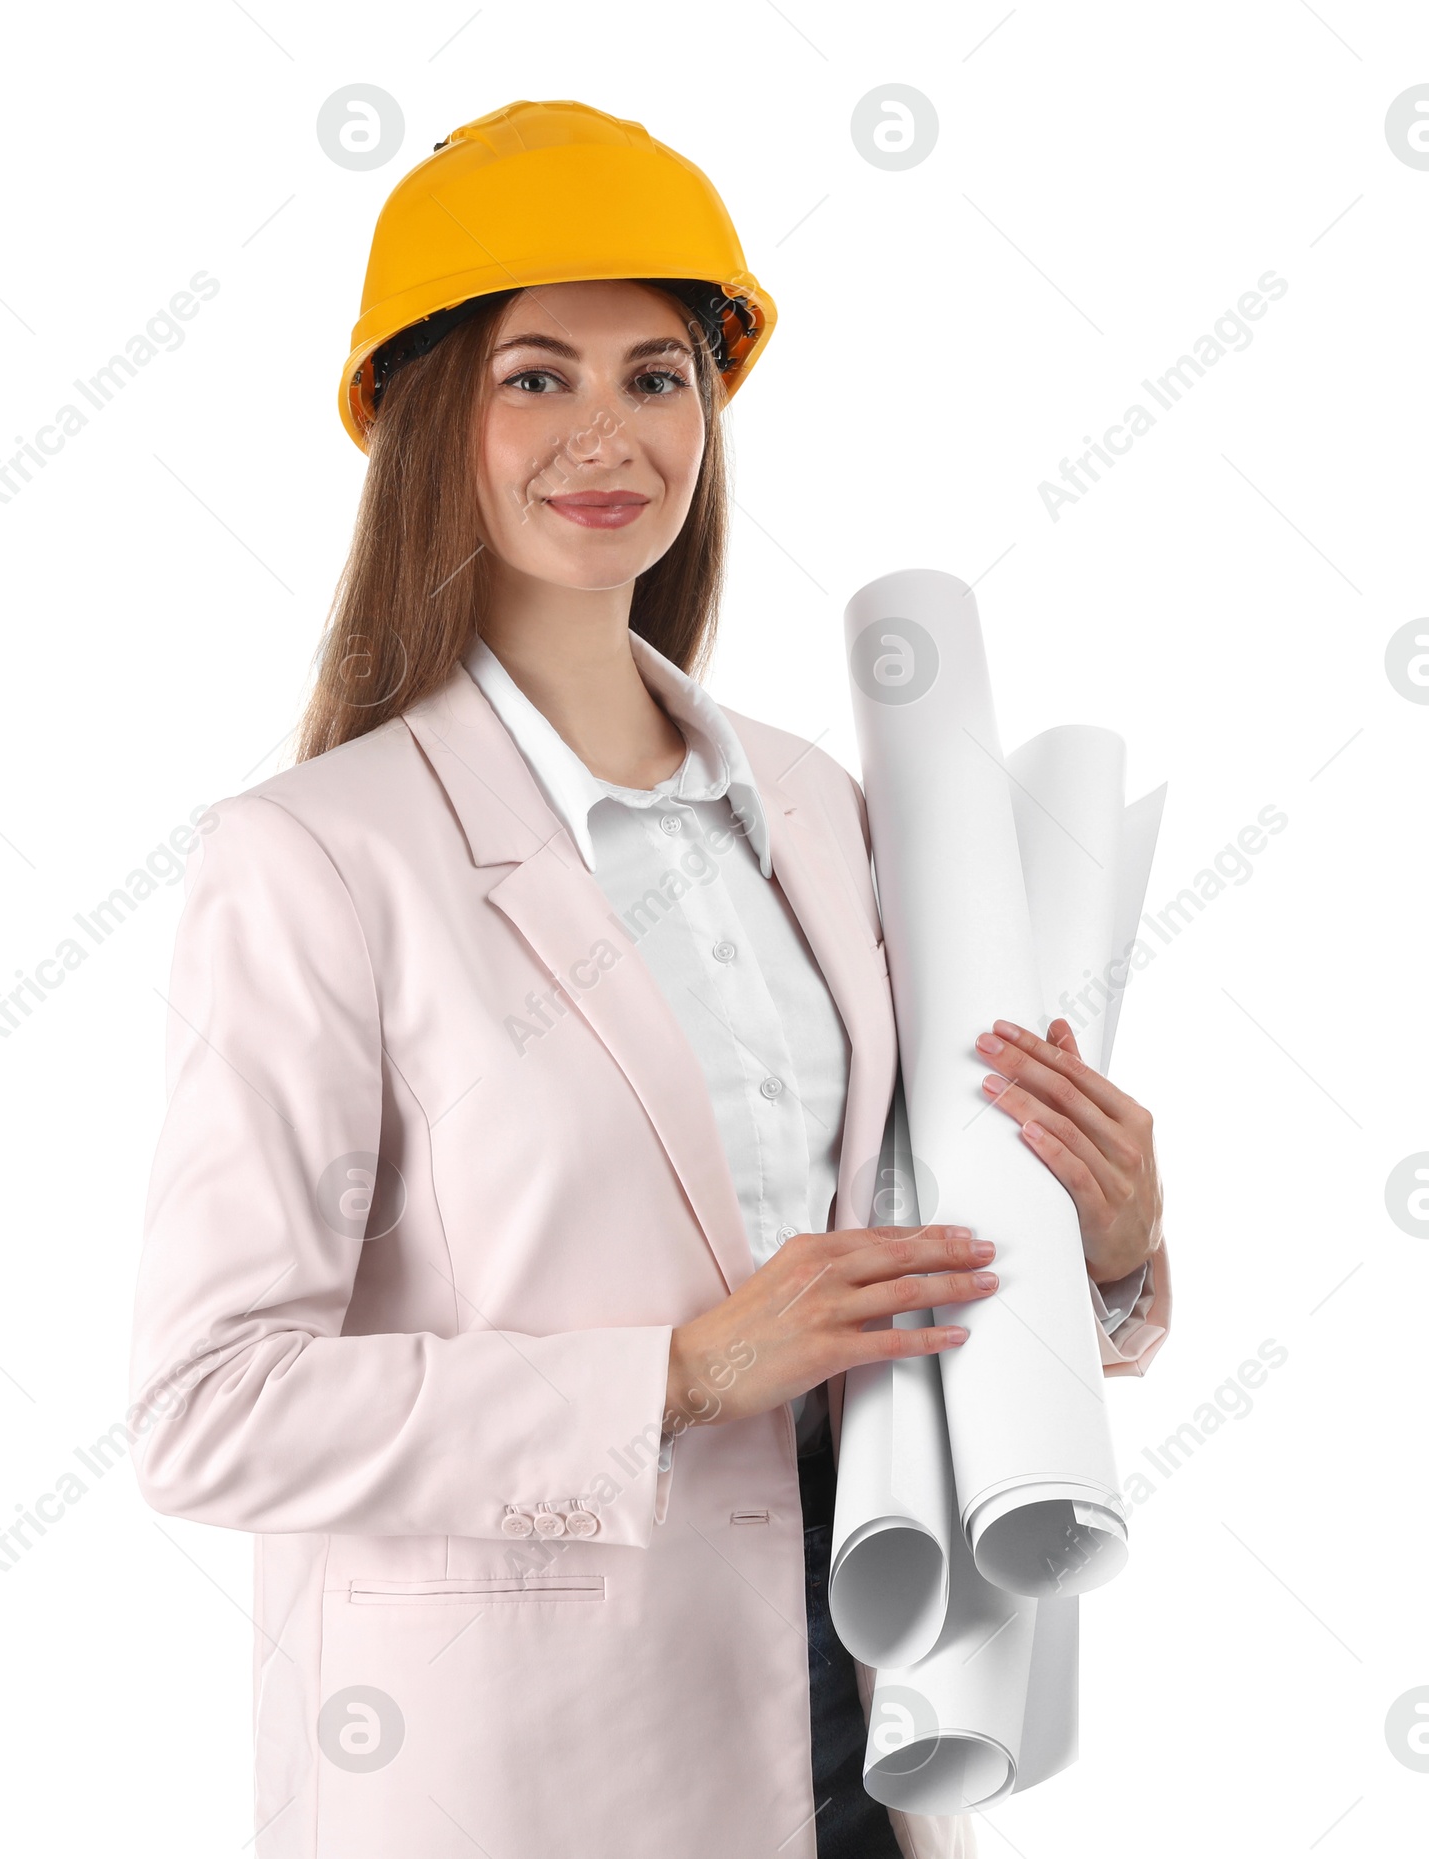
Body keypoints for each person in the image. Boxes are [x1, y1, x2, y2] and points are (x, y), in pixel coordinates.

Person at [127, 98, 1170, 1859]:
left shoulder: (824, 810)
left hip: (880, 1709)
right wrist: (674, 1377)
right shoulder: (316, 858)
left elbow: (905, 1235)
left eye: (657, 374)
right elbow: (205, 1410)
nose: (605, 433)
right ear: (430, 415)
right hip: (528, 1781)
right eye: (538, 375)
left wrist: (1110, 1247)